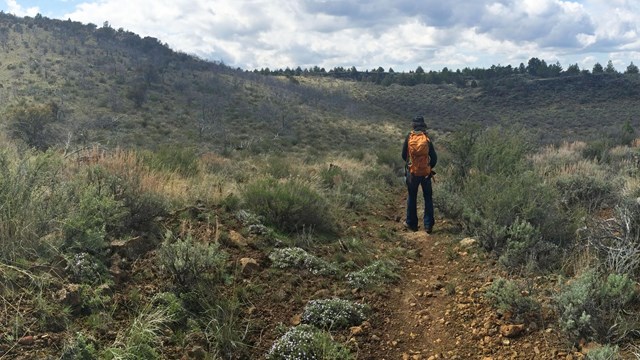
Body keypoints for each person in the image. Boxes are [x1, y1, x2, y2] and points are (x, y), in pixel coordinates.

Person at [402, 115, 437, 233]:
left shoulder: (409, 137)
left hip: (413, 173)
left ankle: (411, 224)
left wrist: (412, 164)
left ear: (413, 125)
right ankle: (428, 225)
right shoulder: (426, 138)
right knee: (427, 197)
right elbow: (434, 158)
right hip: (426, 173)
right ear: (423, 126)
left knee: (412, 196)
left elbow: (403, 156)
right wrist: (428, 167)